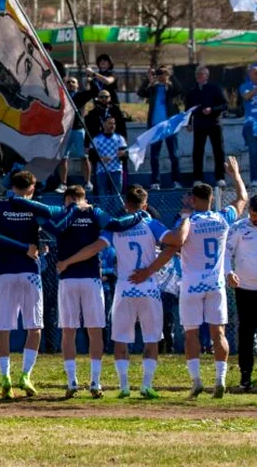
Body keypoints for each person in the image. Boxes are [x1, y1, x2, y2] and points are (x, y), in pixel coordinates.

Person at [60, 185, 181, 398]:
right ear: (145, 204)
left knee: (121, 339)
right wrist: (150, 269)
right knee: (151, 338)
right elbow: (174, 244)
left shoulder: (116, 228)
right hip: (148, 288)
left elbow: (93, 249)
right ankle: (146, 385)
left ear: (125, 205)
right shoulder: (151, 223)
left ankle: (124, 386)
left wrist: (68, 261)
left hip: (125, 289)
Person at [0, 170, 75, 399]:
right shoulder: (34, 209)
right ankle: (25, 375)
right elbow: (57, 230)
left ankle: (6, 377)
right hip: (30, 273)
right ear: (32, 189)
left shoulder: (0, 207)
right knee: (35, 327)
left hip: (5, 273)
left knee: (3, 327)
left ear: (12, 186)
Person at [51, 185, 145, 397]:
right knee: (93, 330)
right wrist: (140, 214)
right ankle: (94, 382)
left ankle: (74, 382)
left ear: (68, 199)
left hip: (70, 278)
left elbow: (50, 224)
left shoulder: (64, 214)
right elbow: (117, 224)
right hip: (90, 278)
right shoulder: (94, 212)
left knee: (70, 331)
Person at [171, 159, 247, 398]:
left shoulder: (189, 221)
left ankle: (196, 381)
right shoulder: (223, 218)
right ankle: (220, 379)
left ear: (193, 200)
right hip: (215, 284)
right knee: (219, 333)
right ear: (212, 199)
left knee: (191, 333)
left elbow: (179, 242)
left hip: (192, 284)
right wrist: (235, 175)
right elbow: (242, 198)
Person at [227, 195, 257, 391]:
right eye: (253, 215)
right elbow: (226, 254)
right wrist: (229, 272)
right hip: (244, 289)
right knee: (245, 333)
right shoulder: (238, 228)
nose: (255, 219)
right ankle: (245, 378)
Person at [138, 65, 183, 190]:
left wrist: (171, 76)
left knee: (174, 155)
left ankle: (176, 180)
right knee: (155, 156)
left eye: (164, 73)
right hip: (155, 126)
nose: (161, 76)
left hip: (169, 126)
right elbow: (141, 93)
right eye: (160, 73)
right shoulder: (153, 88)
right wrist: (148, 79)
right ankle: (155, 181)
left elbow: (179, 89)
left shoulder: (171, 88)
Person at [185, 66, 228, 185]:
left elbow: (224, 105)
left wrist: (212, 109)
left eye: (201, 74)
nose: (199, 76)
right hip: (199, 125)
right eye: (197, 74)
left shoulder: (215, 88)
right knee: (197, 152)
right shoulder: (192, 92)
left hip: (214, 123)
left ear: (207, 76)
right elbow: (188, 109)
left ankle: (220, 177)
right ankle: (197, 178)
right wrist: (188, 123)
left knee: (218, 151)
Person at [91, 115, 127, 195]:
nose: (112, 126)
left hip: (116, 169)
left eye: (113, 124)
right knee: (102, 193)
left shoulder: (120, 138)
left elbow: (125, 155)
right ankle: (104, 207)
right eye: (109, 123)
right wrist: (101, 158)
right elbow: (92, 156)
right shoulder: (97, 139)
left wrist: (122, 155)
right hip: (102, 170)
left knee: (117, 193)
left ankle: (117, 208)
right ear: (103, 124)